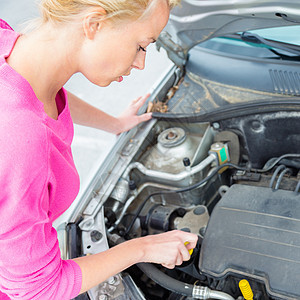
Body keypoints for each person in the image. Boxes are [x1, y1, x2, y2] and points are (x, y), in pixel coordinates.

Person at [0, 0, 198, 299]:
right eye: (141, 46)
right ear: (94, 24)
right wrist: (142, 248)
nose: (140, 63)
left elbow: (43, 89)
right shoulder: (20, 139)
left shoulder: (12, 47)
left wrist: (113, 123)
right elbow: (38, 288)